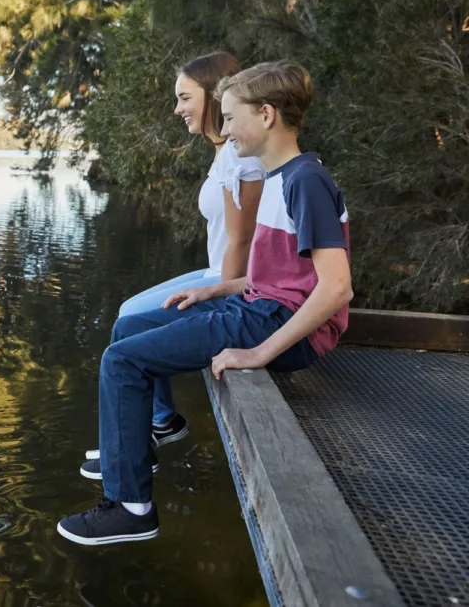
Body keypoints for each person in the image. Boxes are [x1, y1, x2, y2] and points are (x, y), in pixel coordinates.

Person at [58, 60, 352, 545]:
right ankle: (133, 450)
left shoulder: (306, 181)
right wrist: (215, 289)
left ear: (266, 115)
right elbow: (284, 277)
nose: (226, 128)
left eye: (232, 117)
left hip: (275, 324)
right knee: (128, 330)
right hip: (258, 307)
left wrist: (259, 353)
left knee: (121, 362)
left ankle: (131, 507)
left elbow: (336, 288)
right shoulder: (281, 178)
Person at [89, 52, 266, 461]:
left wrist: (224, 298)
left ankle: (157, 423)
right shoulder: (225, 153)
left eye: (185, 97)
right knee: (127, 313)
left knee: (128, 325)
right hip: (216, 271)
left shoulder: (240, 160)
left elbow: (242, 240)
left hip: (229, 281)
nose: (178, 108)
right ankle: (161, 417)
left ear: (213, 95)